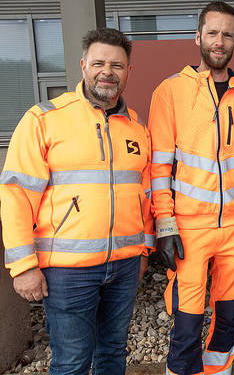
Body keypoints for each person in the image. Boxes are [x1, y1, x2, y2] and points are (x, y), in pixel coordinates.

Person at [0, 27, 154, 374]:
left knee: (113, 354)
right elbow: (16, 195)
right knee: (72, 362)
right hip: (68, 271)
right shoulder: (44, 119)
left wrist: (144, 250)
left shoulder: (136, 127)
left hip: (125, 266)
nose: (107, 72)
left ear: (128, 72)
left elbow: (144, 195)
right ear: (83, 65)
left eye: (117, 65)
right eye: (99, 63)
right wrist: (23, 266)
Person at [148, 1, 234, 375]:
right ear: (197, 36)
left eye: (227, 35)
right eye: (213, 33)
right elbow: (159, 168)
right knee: (186, 326)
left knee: (229, 321)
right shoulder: (170, 92)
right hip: (189, 229)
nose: (219, 41)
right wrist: (164, 225)